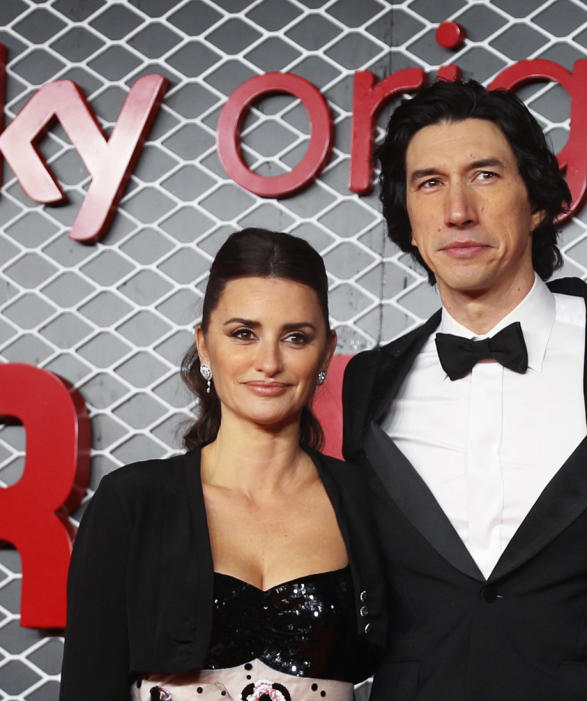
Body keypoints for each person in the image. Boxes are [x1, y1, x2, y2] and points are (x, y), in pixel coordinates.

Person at [340, 79, 587, 700]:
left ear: (538, 202)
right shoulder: (363, 385)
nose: (457, 211)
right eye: (429, 183)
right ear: (406, 219)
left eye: (484, 176)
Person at [60, 229, 383, 701]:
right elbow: (88, 687)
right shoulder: (132, 503)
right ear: (205, 345)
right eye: (243, 334)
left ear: (326, 354)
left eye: (295, 337)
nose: (268, 362)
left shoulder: (367, 502)